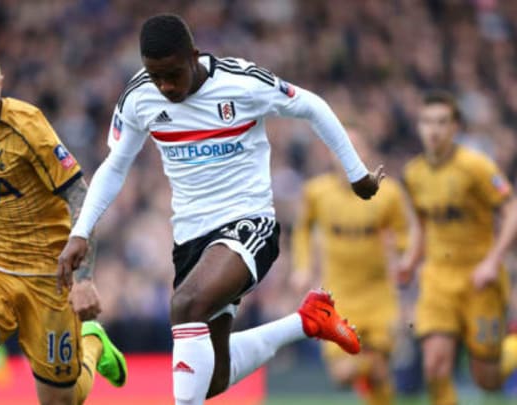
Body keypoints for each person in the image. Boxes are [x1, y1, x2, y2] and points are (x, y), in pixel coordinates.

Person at [58, 14, 383, 405]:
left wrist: (356, 173)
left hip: (249, 224)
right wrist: (81, 231)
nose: (165, 86)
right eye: (155, 75)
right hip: (191, 240)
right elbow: (114, 167)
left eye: (173, 74)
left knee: (184, 305)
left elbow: (311, 106)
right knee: (210, 377)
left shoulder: (241, 82)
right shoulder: (139, 97)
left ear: (194, 56)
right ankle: (306, 320)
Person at [0, 43, 127, 405]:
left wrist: (84, 279)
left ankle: (92, 342)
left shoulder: (28, 127)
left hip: (50, 274)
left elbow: (81, 196)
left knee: (61, 400)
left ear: (1, 82)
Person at [399, 90, 517, 405]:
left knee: (487, 380)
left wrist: (493, 261)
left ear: (455, 128)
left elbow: (512, 211)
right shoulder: (413, 174)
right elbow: (421, 225)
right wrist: (411, 260)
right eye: (427, 122)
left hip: (480, 277)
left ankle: (513, 348)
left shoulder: (476, 167)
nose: (433, 130)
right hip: (438, 278)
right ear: (419, 127)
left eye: (441, 122)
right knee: (435, 365)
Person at [291, 130, 411, 404]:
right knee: (344, 374)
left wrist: (404, 259)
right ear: (330, 153)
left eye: (355, 147)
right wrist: (302, 266)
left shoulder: (388, 193)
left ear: (367, 152)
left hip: (379, 296)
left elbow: (405, 236)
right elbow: (302, 230)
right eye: (340, 147)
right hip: (339, 297)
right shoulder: (316, 192)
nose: (346, 154)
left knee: (378, 369)